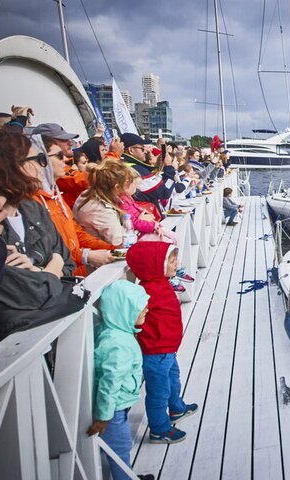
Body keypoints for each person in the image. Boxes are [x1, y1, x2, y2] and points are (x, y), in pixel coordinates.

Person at [0, 127, 75, 340]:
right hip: (11, 349)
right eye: (39, 160)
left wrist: (39, 272)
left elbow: (69, 264)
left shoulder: (33, 208)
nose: (42, 167)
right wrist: (53, 269)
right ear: (11, 167)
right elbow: (27, 293)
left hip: (50, 338)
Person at [125, 241, 198, 444]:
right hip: (155, 351)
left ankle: (176, 408)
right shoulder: (146, 292)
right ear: (154, 266)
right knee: (159, 391)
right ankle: (159, 429)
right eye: (172, 261)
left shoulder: (161, 282)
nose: (177, 264)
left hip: (168, 348)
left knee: (174, 379)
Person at [87, 281, 151, 480]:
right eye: (139, 308)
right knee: (120, 449)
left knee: (117, 448)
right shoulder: (118, 344)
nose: (146, 309)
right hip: (112, 410)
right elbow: (110, 382)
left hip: (118, 404)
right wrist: (104, 416)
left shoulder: (114, 331)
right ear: (122, 311)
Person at [33, 134, 116, 276]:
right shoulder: (31, 202)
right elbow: (46, 250)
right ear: (41, 160)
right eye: (59, 155)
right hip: (58, 281)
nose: (65, 159)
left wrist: (112, 247)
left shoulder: (55, 197)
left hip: (75, 274)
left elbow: (76, 233)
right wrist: (85, 256)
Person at [74, 158, 137, 246]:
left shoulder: (89, 194)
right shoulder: (101, 211)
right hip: (103, 252)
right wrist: (136, 229)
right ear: (117, 187)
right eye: (127, 183)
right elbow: (119, 241)